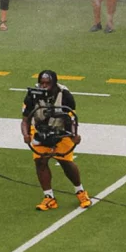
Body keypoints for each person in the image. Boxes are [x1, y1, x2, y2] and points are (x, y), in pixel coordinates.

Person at [21, 69, 90, 211]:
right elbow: (25, 120)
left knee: (66, 162)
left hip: (61, 130)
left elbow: (71, 119)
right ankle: (49, 197)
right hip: (41, 130)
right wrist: (25, 135)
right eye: (42, 83)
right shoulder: (32, 95)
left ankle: (80, 191)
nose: (44, 86)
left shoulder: (65, 95)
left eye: (48, 83)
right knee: (40, 161)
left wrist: (74, 135)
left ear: (54, 83)